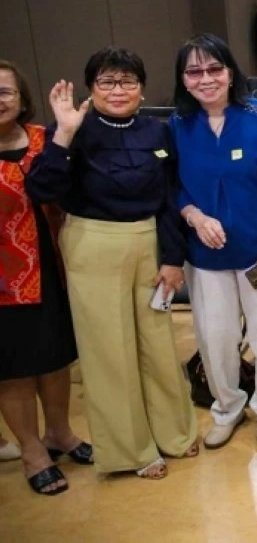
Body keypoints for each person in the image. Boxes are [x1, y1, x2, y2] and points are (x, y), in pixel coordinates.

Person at [25, 48, 199, 478]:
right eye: (107, 82)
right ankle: (130, 452)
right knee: (110, 353)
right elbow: (42, 188)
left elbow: (170, 197)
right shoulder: (72, 129)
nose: (118, 90)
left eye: (128, 82)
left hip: (148, 242)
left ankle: (173, 433)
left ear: (141, 89)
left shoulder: (157, 132)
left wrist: (174, 257)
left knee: (157, 344)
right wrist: (63, 135)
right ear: (91, 88)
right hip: (93, 244)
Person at [170, 35, 257, 450]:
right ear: (183, 80)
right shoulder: (176, 126)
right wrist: (193, 215)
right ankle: (226, 408)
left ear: (230, 73)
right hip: (205, 257)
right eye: (195, 71)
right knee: (215, 336)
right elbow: (168, 184)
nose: (206, 78)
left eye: (214, 69)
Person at [0, 60, 88, 495]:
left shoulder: (44, 138)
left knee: (54, 358)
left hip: (52, 267)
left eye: (5, 92)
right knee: (14, 368)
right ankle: (33, 451)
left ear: (21, 98)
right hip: (3, 280)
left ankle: (60, 434)